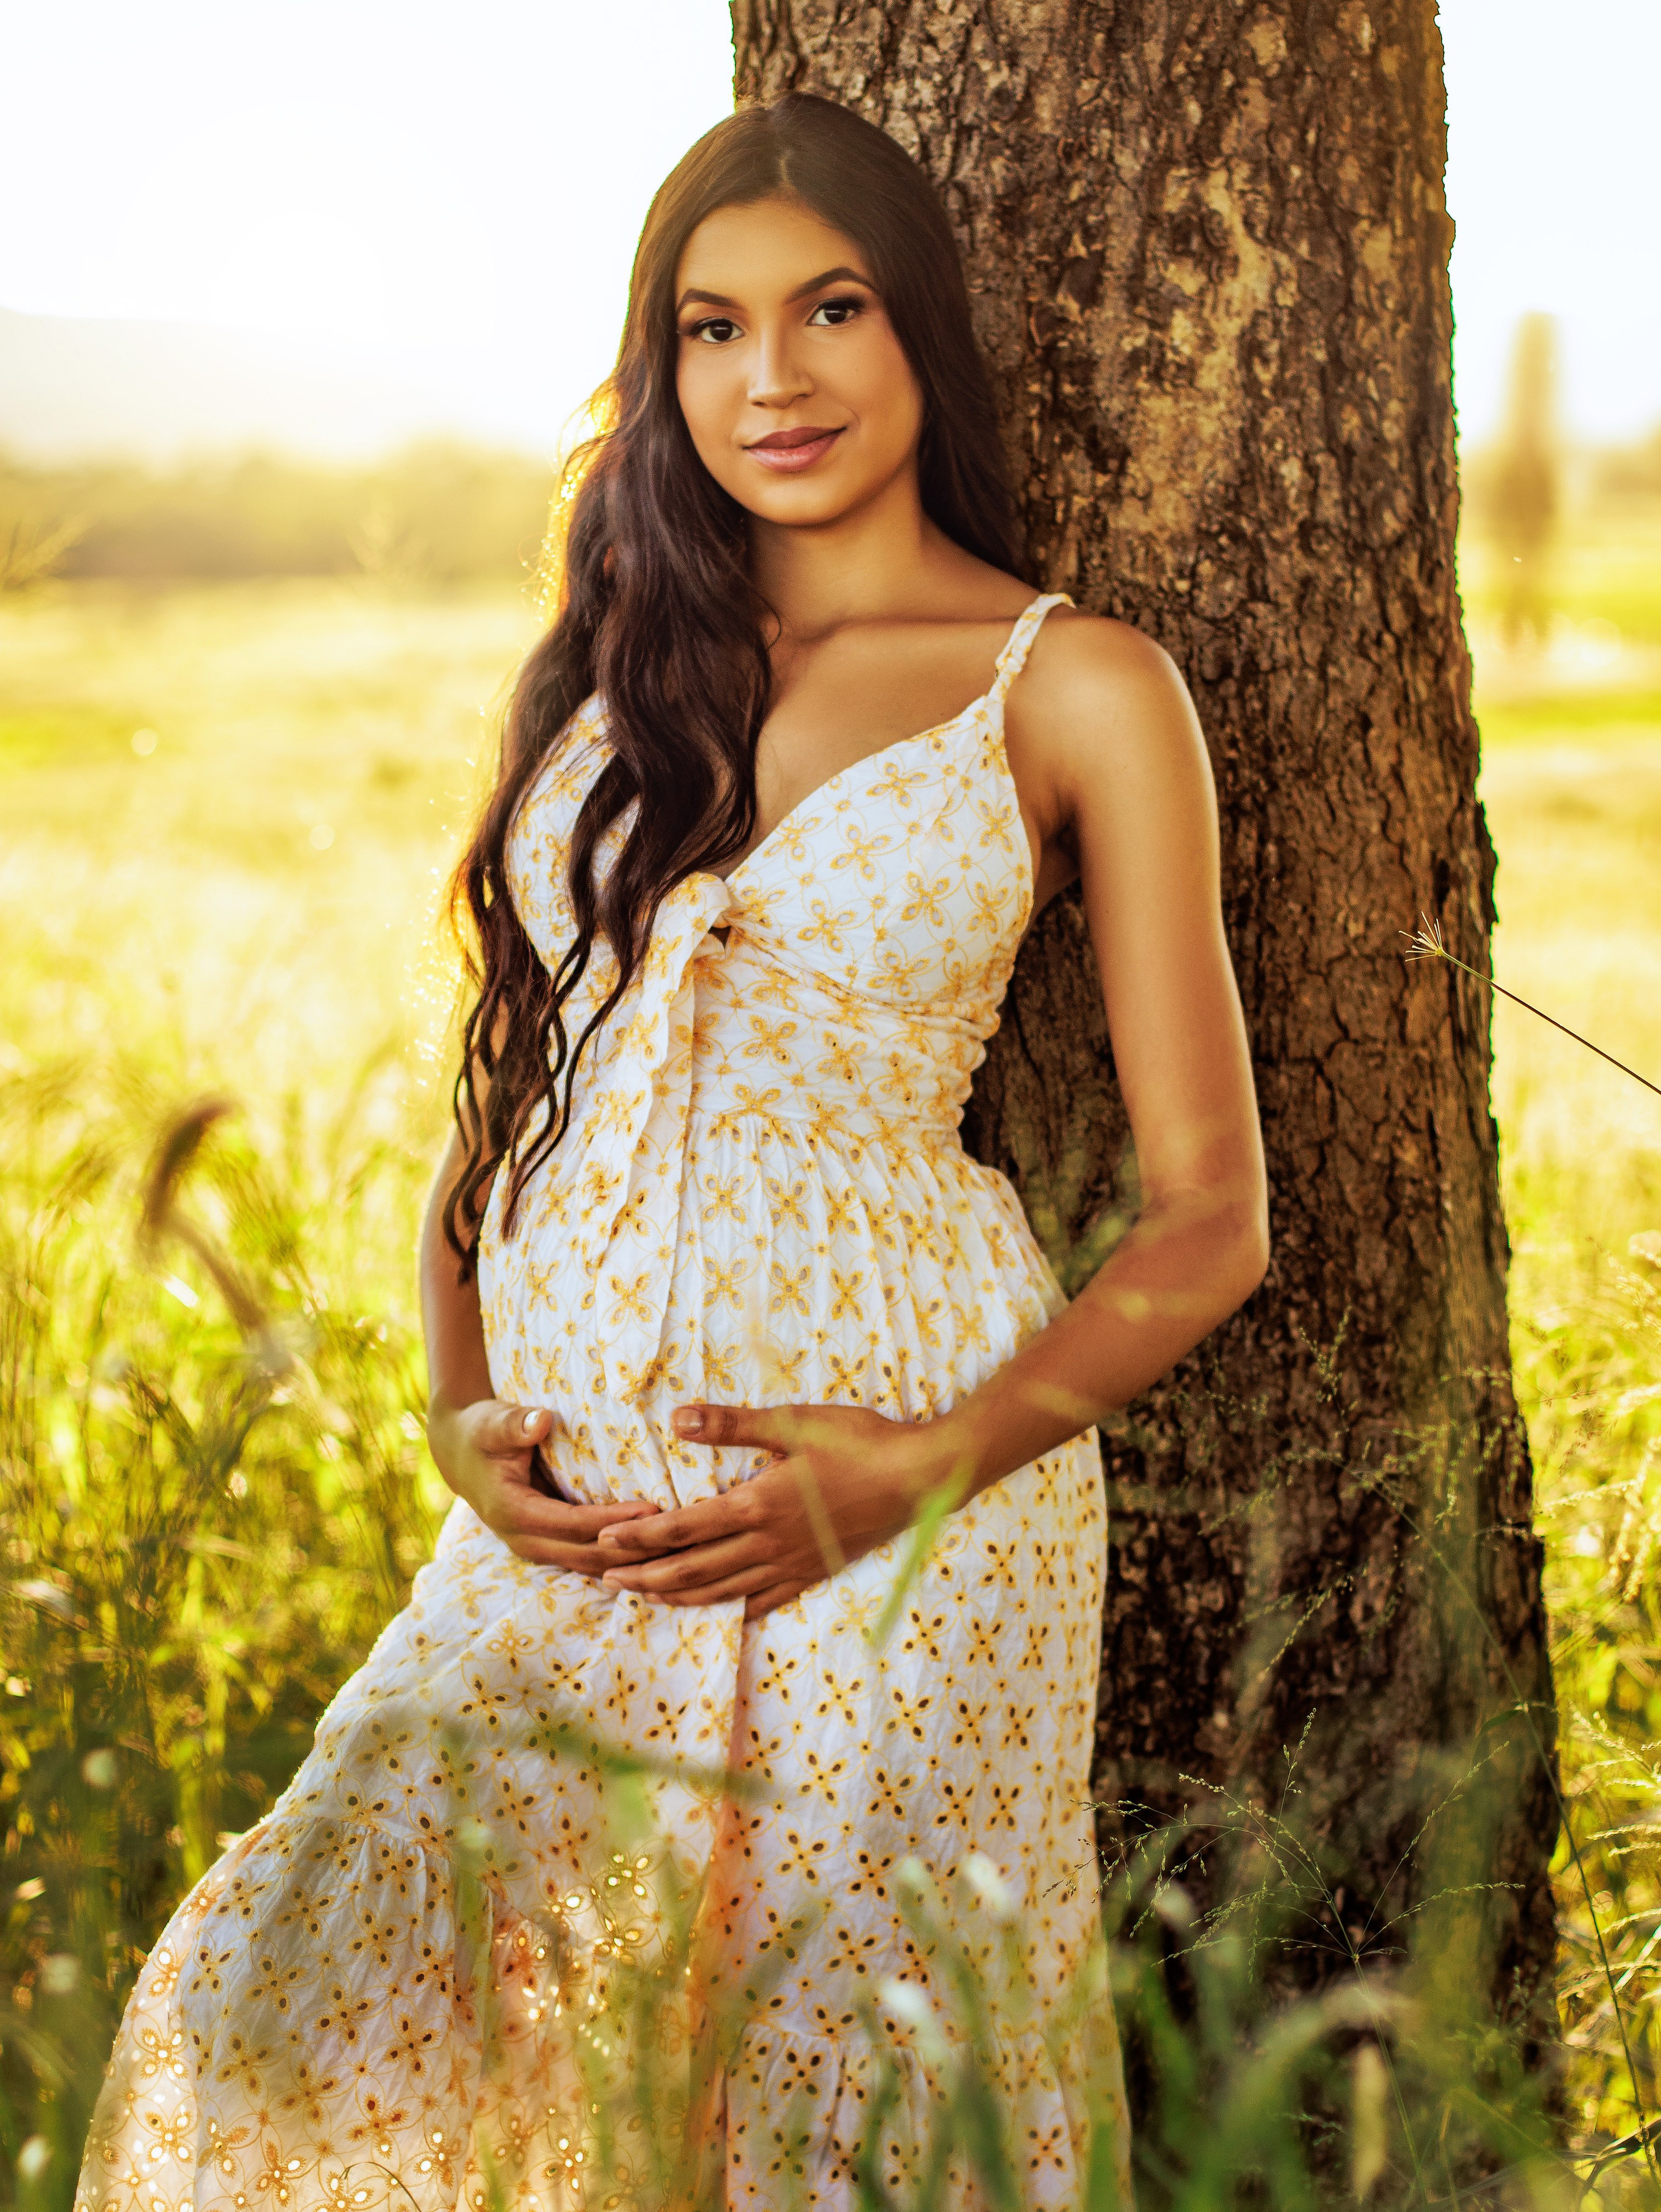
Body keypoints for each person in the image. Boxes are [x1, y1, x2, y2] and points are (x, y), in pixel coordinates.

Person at [77, 93, 1266, 2212]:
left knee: (837, 2118)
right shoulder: (616, 670)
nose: (773, 378)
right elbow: (494, 1109)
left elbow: (1209, 1217)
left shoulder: (1072, 683)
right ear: (664, 364)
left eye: (830, 311)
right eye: (711, 329)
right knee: (302, 2001)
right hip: (562, 1540)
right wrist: (458, 1416)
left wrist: (911, 1470)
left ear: (923, 339)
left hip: (913, 1525)